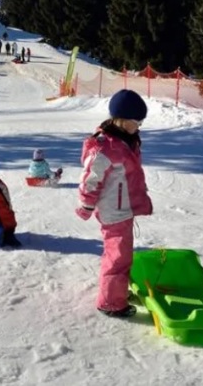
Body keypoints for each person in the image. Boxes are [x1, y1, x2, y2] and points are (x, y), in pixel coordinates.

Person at [75, 89, 152, 318]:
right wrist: (86, 204)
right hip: (114, 210)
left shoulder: (126, 140)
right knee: (118, 256)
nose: (138, 127)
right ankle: (110, 302)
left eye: (140, 122)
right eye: (135, 122)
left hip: (123, 207)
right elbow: (90, 178)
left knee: (122, 253)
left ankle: (116, 292)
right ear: (120, 119)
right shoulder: (105, 147)